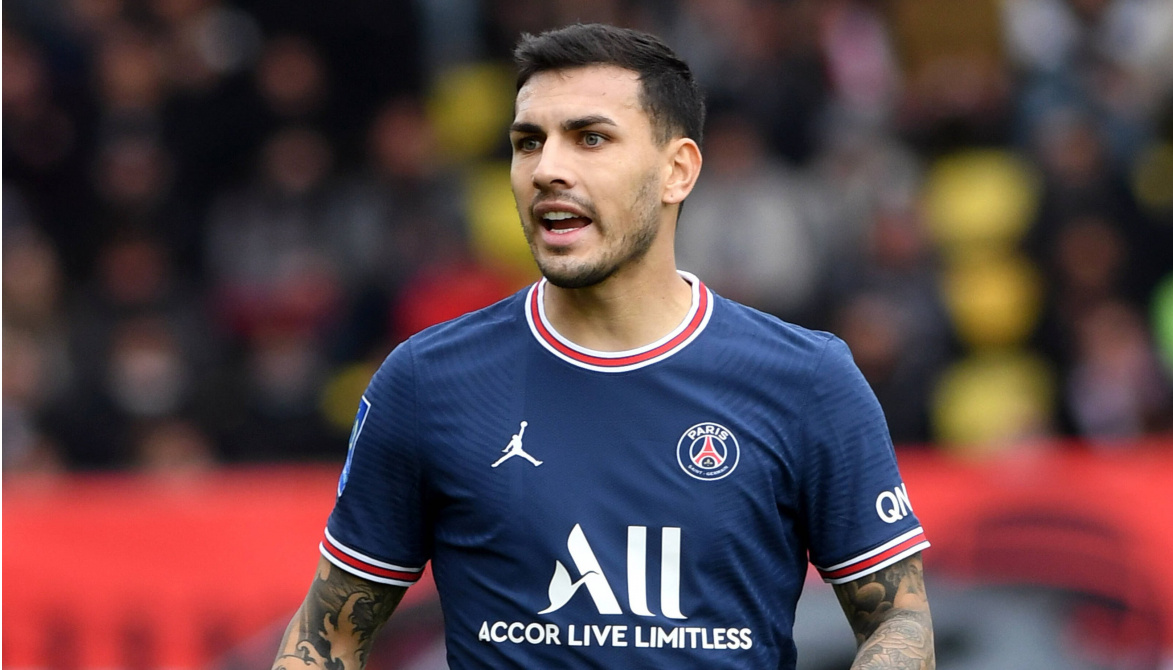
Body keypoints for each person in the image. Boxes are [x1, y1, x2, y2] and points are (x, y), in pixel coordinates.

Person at [273, 23, 934, 670]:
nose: (547, 170)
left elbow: (897, 620)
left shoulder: (806, 379)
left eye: (590, 138)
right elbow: (329, 638)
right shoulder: (426, 381)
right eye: (528, 143)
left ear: (677, 171)